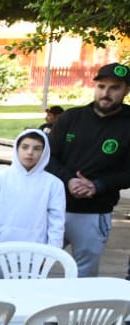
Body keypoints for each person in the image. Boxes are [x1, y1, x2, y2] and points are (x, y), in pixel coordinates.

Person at [46, 63, 130, 277]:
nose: (106, 93)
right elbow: (49, 158)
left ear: (126, 90)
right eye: (102, 86)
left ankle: (77, 311)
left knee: (84, 274)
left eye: (115, 88)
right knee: (36, 264)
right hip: (55, 207)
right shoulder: (71, 118)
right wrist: (69, 180)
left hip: (95, 211)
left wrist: (98, 185)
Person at [0, 128, 65, 259]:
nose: (30, 152)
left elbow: (56, 222)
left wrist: (52, 253)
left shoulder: (54, 184)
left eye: (37, 148)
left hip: (35, 254)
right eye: (25, 147)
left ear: (44, 152)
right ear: (17, 148)